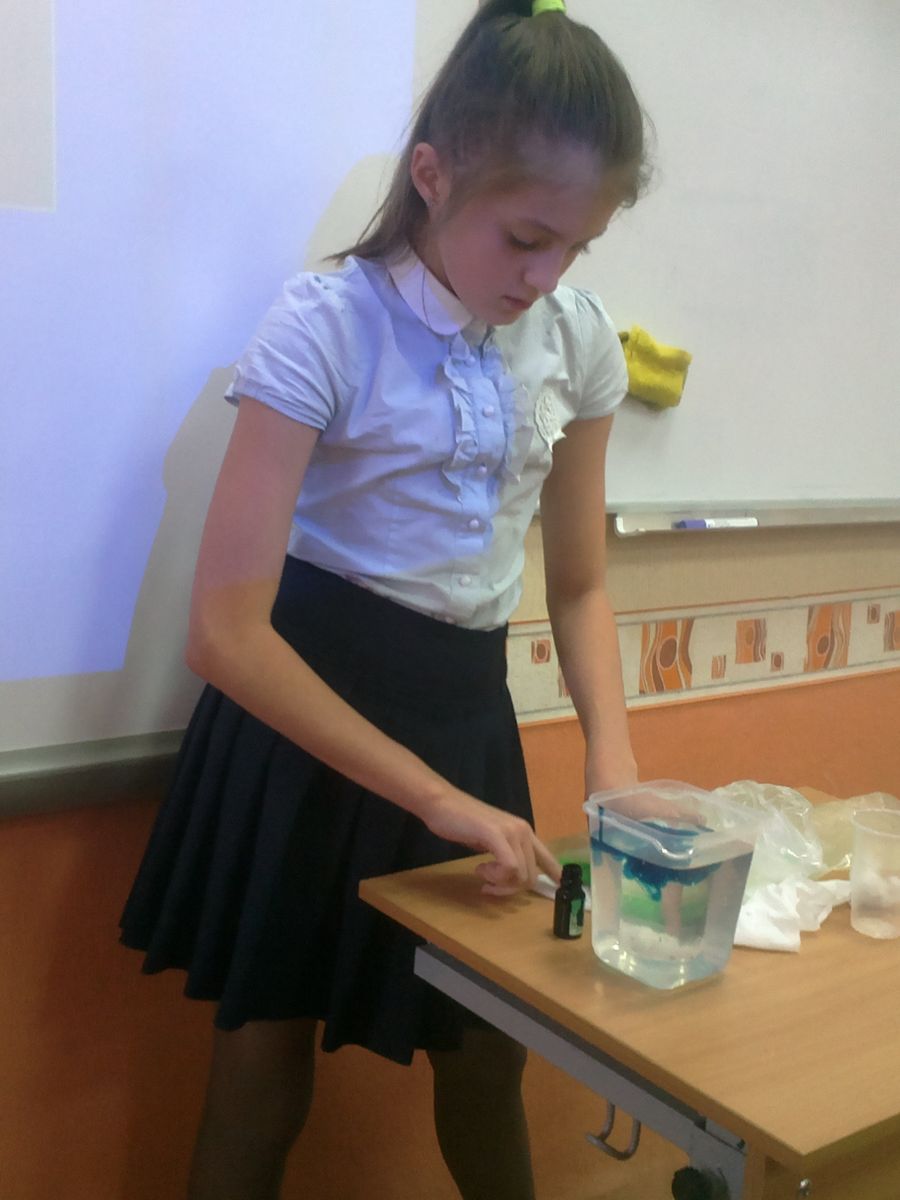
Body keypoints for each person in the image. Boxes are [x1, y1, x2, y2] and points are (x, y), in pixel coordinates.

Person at [120, 1, 649, 1196]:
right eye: (526, 237)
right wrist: (433, 799)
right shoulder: (327, 325)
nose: (546, 276)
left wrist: (613, 767)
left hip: (465, 719)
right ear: (432, 175)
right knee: (261, 1075)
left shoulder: (577, 342)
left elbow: (579, 582)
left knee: (487, 1057)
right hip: (301, 719)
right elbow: (225, 632)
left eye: (577, 248)